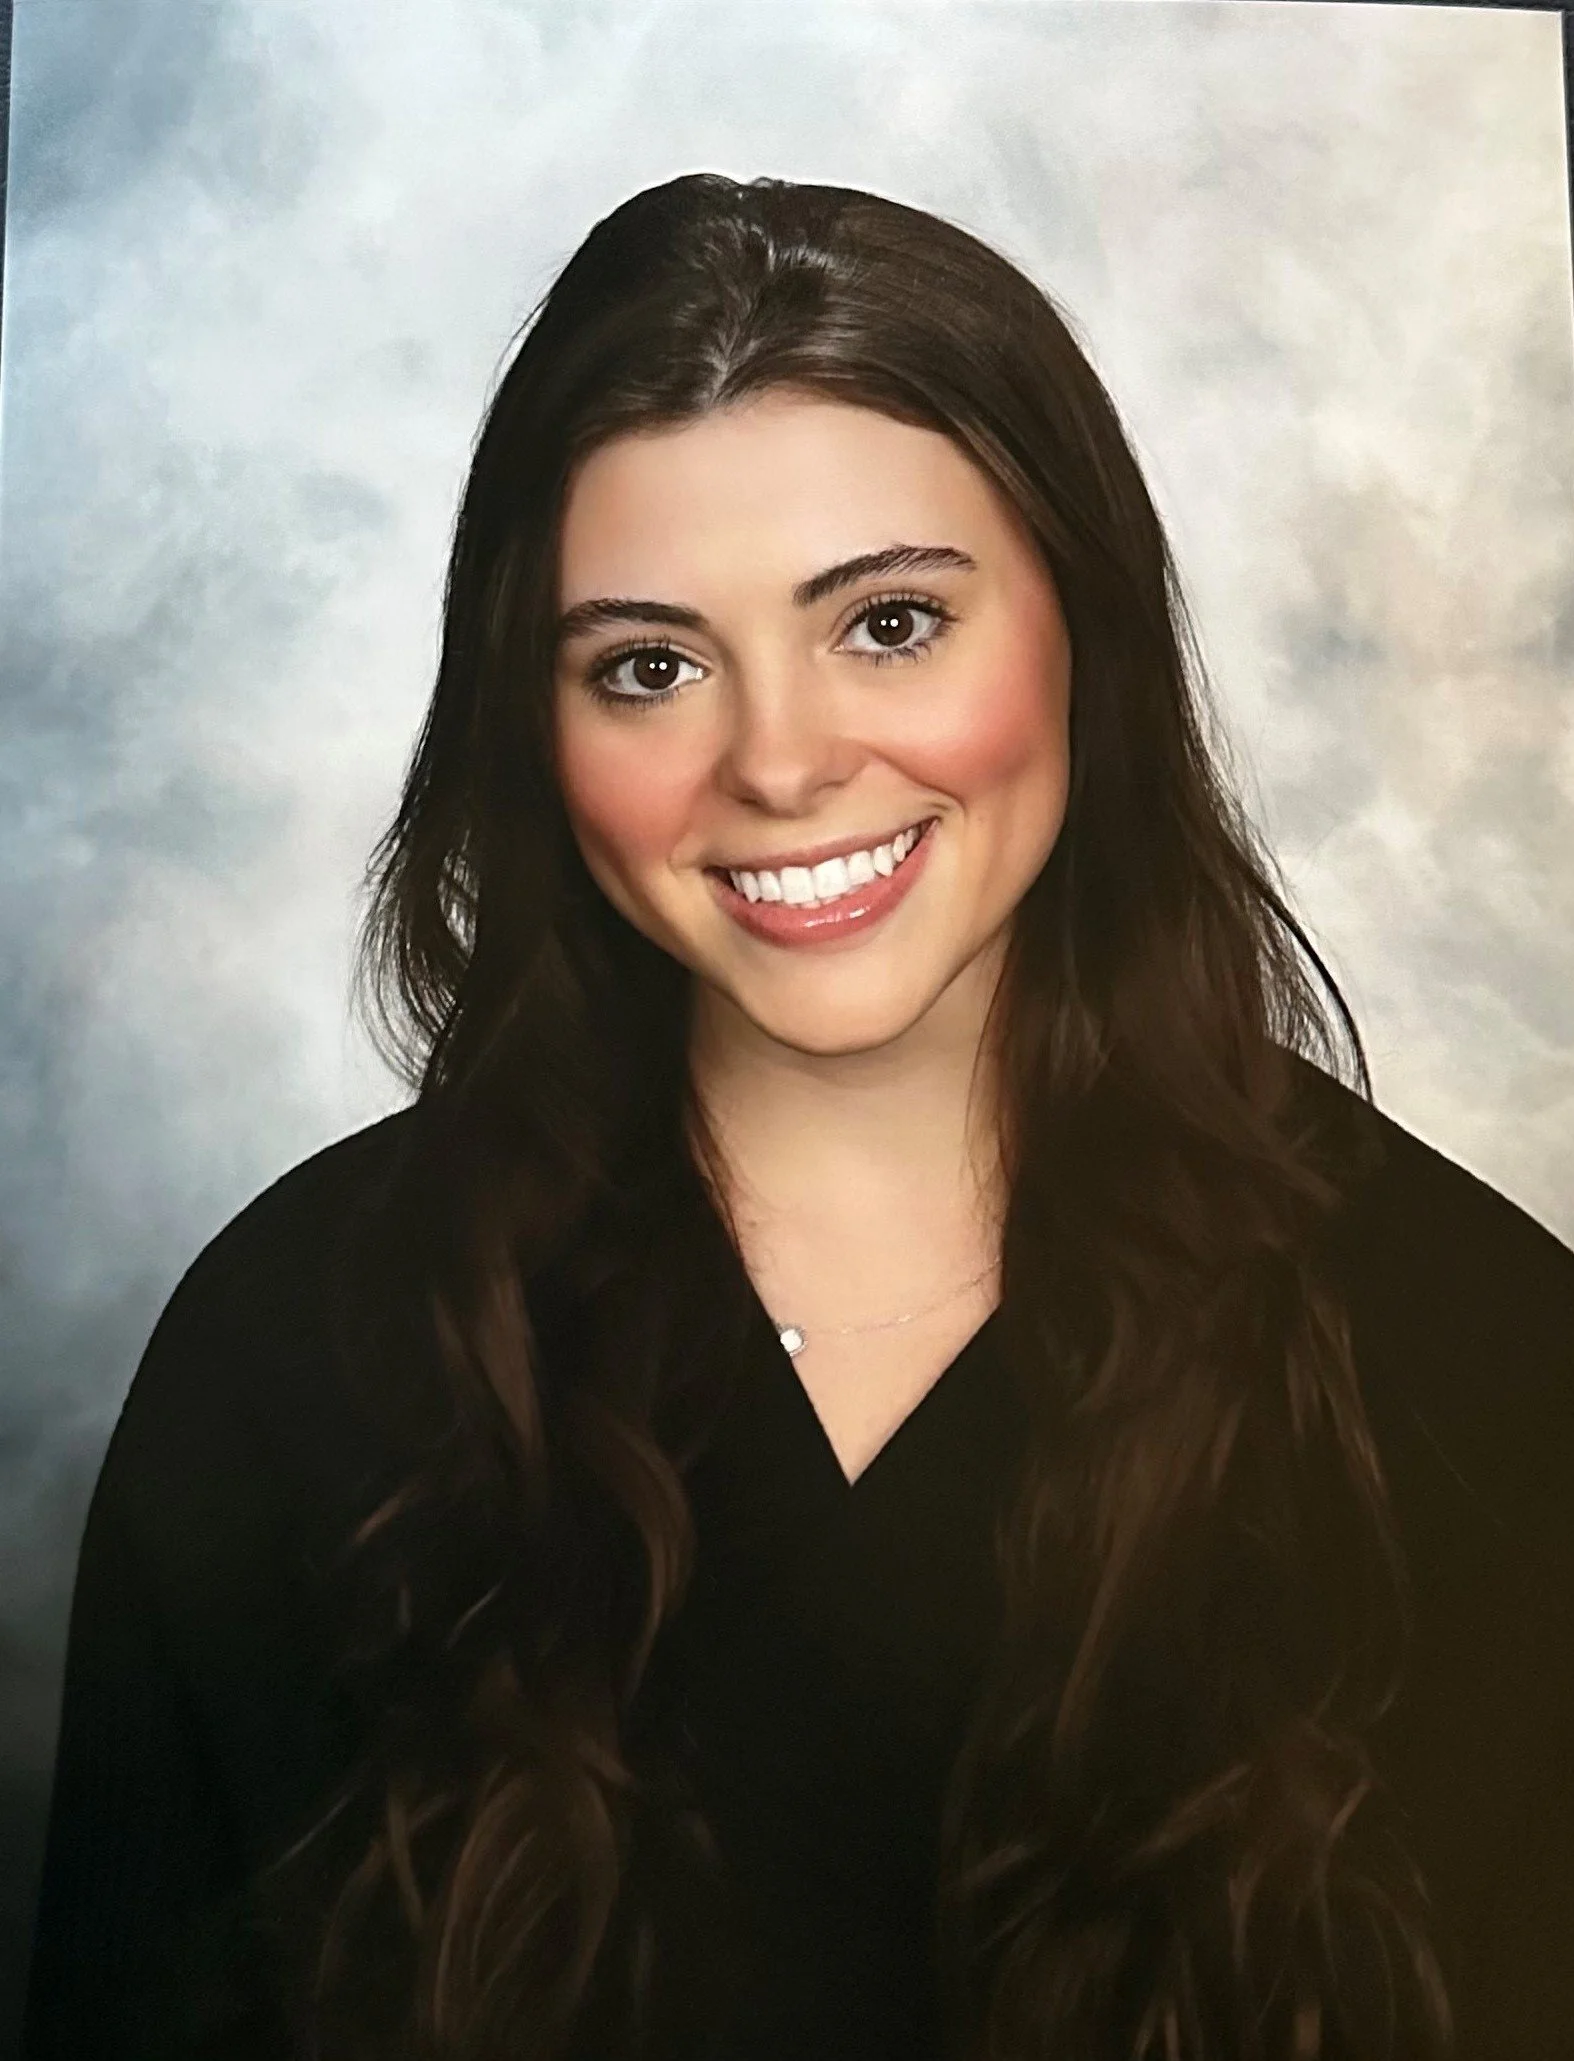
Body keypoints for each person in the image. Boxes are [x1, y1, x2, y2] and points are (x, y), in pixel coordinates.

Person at [20, 173, 1574, 2061]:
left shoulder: (1485, 1358)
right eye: (648, 667)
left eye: (891, 624)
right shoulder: (289, 1360)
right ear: (538, 727)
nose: (774, 761)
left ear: (1086, 627)